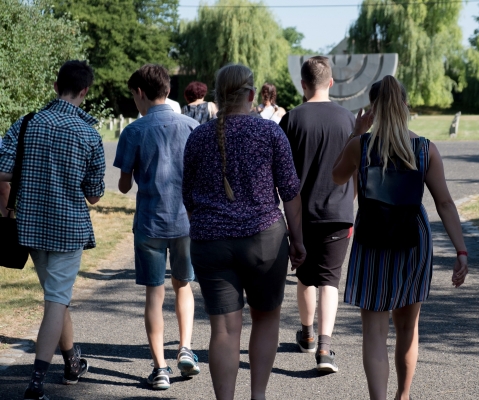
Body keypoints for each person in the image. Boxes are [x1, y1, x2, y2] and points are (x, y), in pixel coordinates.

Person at [332, 76, 468, 400]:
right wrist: (461, 250)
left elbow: (336, 175)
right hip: (414, 237)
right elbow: (445, 203)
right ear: (405, 106)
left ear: (373, 109)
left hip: (373, 236)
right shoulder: (425, 149)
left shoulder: (360, 146)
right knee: (408, 327)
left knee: (375, 331)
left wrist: (355, 131)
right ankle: (403, 396)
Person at [182, 63, 305, 400]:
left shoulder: (198, 137)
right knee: (265, 319)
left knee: (223, 329)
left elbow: (188, 196)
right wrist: (298, 241)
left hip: (210, 242)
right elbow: (290, 193)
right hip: (264, 240)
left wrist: (206, 228)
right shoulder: (270, 133)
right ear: (251, 95)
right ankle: (259, 396)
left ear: (218, 97)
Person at [0, 60, 105, 400]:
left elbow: (2, 171)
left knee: (55, 300)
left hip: (29, 227)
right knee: (57, 300)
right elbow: (93, 195)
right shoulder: (89, 134)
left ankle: (73, 362)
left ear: (55, 86)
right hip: (67, 229)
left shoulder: (28, 123)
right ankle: (36, 383)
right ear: (85, 92)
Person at [113, 64, 200, 390]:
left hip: (149, 222)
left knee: (154, 293)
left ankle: (160, 368)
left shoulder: (134, 131)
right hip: (184, 220)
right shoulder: (191, 125)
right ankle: (186, 348)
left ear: (139, 92)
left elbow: (122, 186)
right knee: (184, 285)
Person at [279, 56, 355, 373]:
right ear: (332, 83)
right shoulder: (349, 119)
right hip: (339, 213)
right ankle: (325, 348)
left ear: (303, 84)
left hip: (302, 213)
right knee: (330, 281)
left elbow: (283, 173)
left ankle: (307, 334)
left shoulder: (292, 119)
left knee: (306, 277)